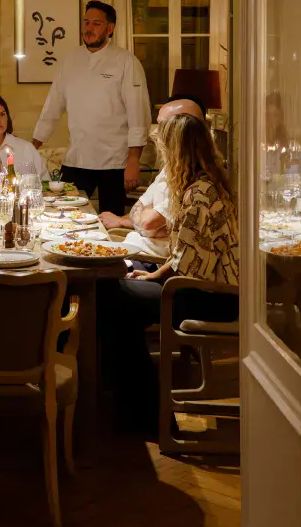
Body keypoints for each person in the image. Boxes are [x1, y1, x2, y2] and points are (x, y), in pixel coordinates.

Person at [101, 111, 239, 432]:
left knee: (114, 296)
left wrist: (149, 278)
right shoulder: (203, 184)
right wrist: (149, 277)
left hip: (214, 297)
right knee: (116, 297)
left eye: (165, 149)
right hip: (199, 287)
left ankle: (149, 416)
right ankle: (136, 406)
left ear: (177, 151)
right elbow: (183, 257)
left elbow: (186, 269)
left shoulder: (200, 194)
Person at [32, 0, 151, 214]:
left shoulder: (126, 62)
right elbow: (52, 107)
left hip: (115, 162)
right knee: (63, 216)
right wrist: (33, 146)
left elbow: (138, 114)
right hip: (77, 158)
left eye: (96, 23)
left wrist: (134, 160)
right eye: (86, 22)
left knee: (111, 223)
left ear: (110, 28)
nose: (89, 28)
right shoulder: (69, 60)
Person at [99, 97, 207, 261]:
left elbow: (148, 223)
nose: (156, 134)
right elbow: (139, 208)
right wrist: (139, 220)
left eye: (162, 126)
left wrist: (143, 220)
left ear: (183, 130)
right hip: (139, 250)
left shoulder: (197, 182)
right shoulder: (171, 168)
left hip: (153, 263)